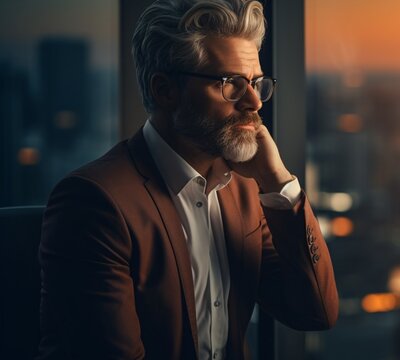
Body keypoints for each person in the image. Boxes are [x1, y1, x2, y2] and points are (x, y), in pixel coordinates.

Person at [37, 0, 338, 359]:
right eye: (231, 84)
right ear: (165, 90)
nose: (255, 102)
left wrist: (278, 182)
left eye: (257, 83)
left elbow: (314, 311)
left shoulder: (245, 189)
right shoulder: (94, 202)